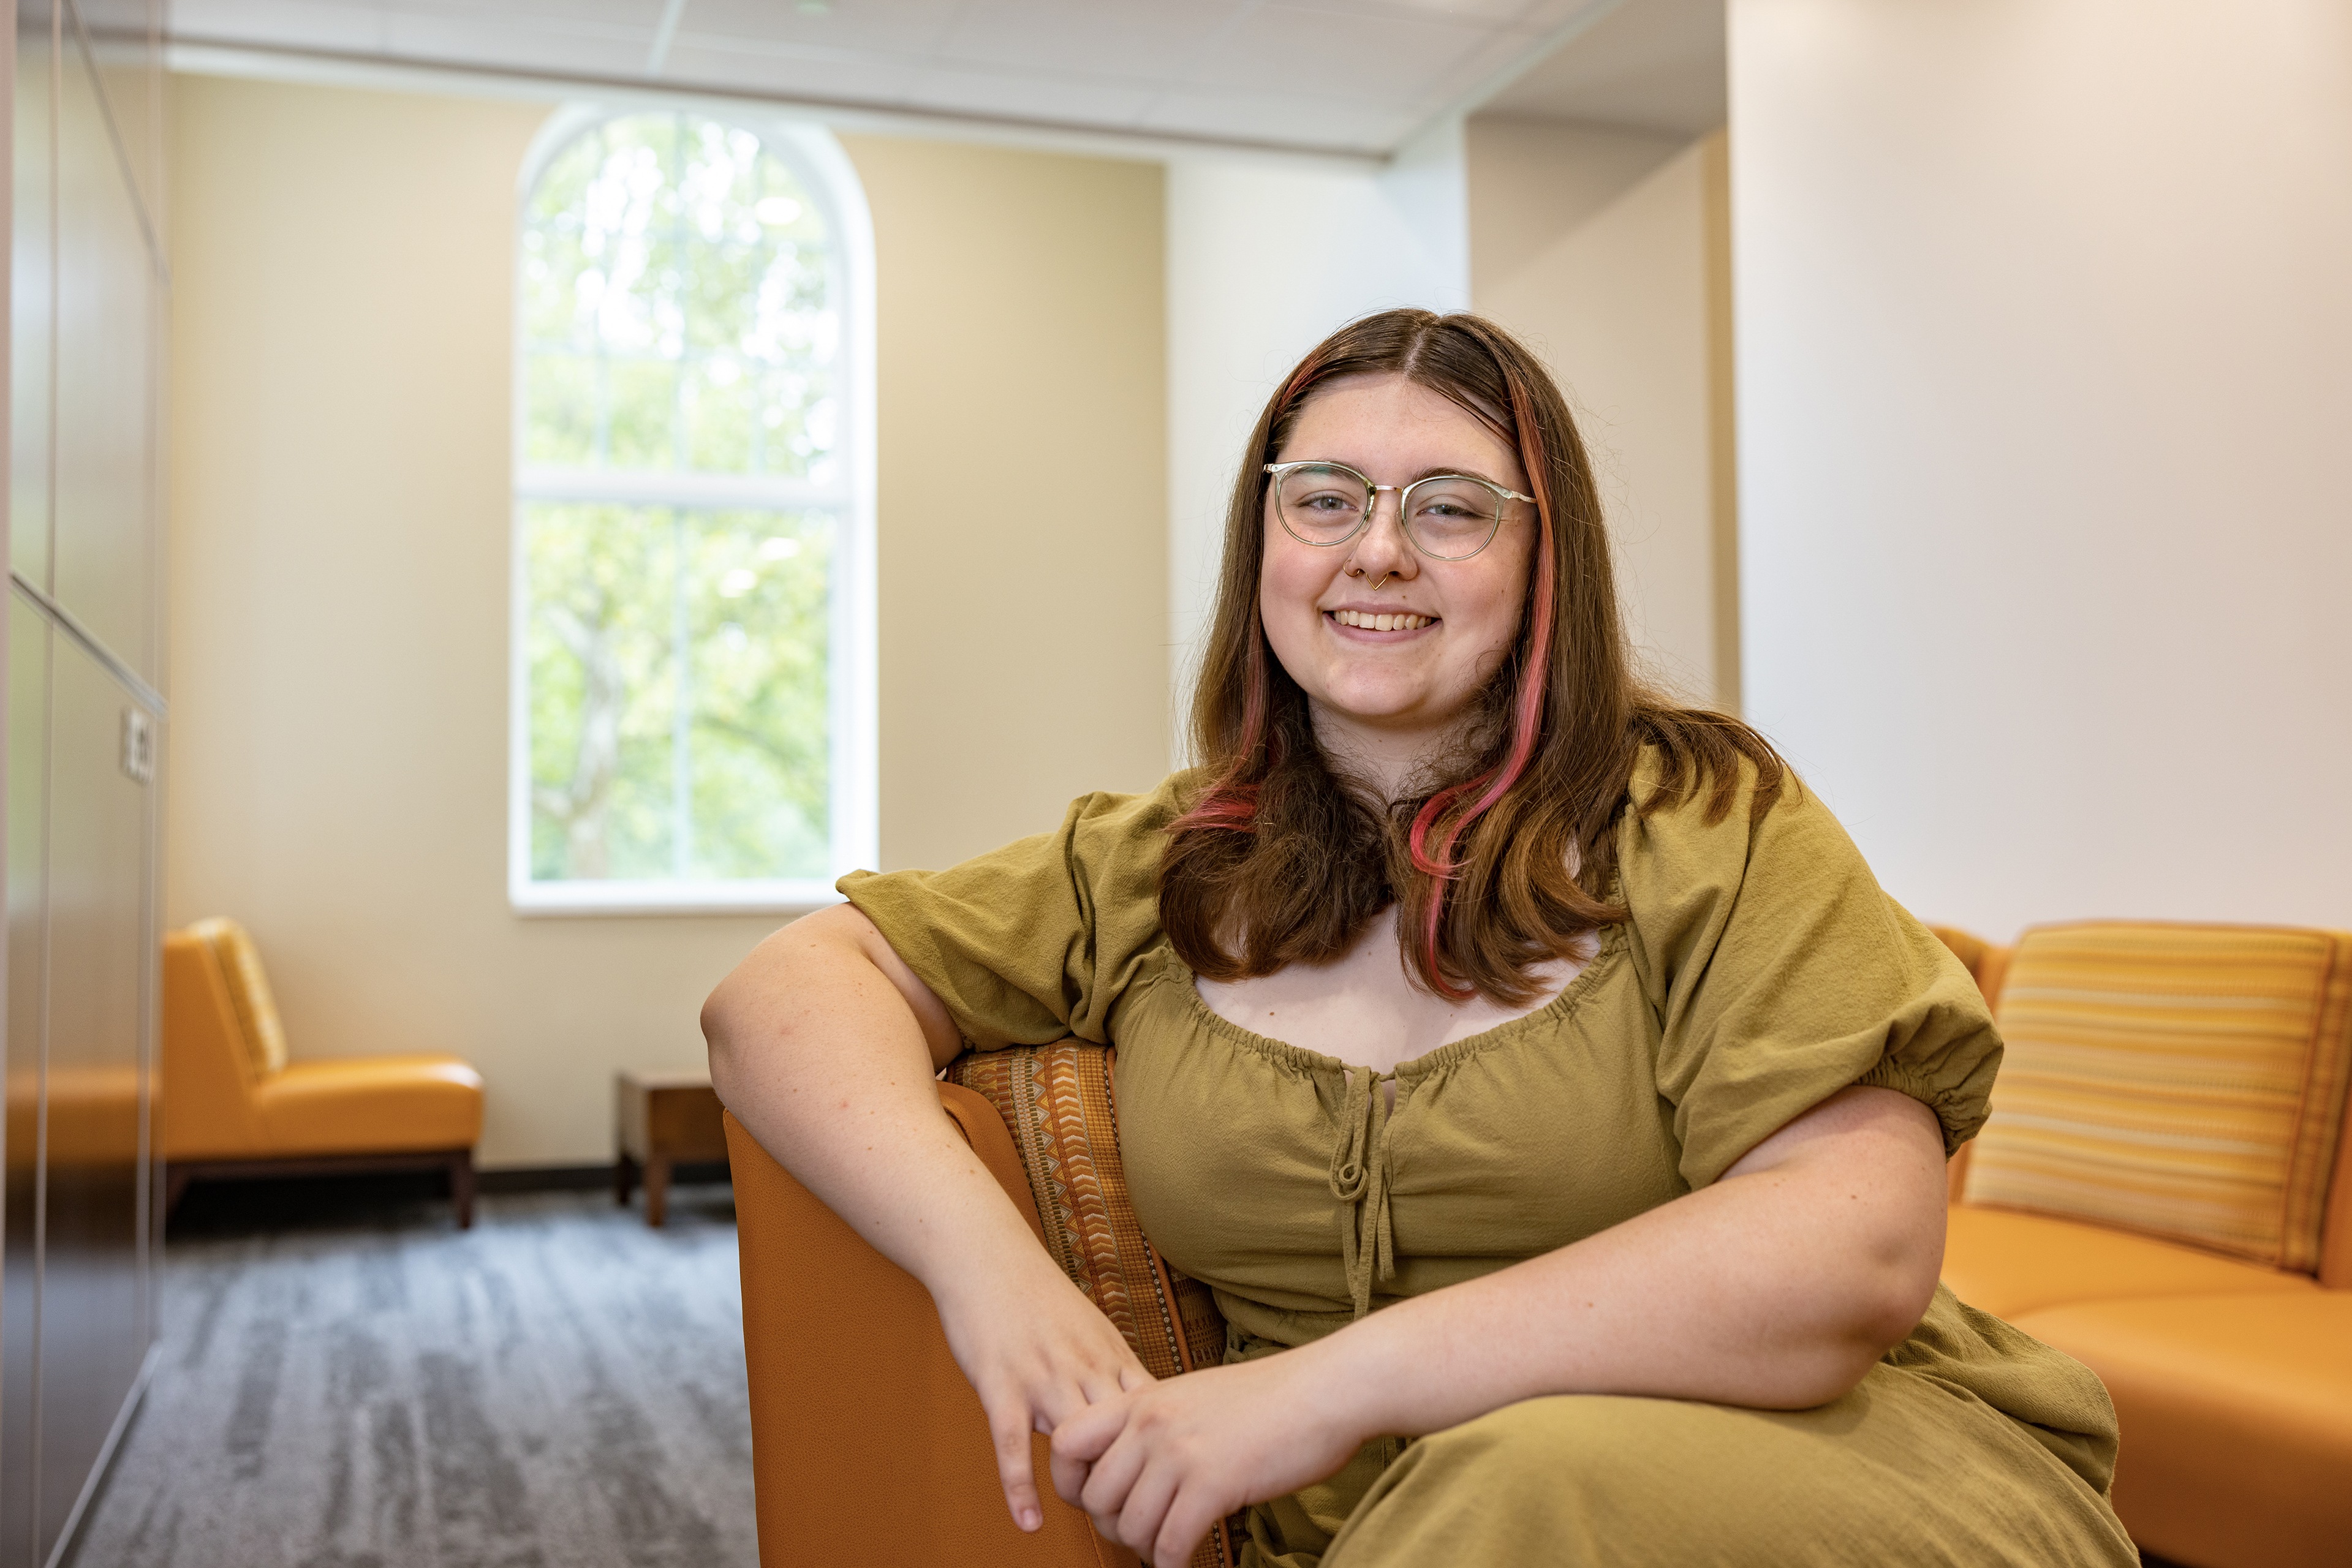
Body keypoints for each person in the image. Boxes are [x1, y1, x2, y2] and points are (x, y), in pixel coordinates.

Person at [703, 311, 2138, 1567]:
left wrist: (1326, 1386)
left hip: (1823, 1470)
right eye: (1323, 498)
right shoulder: (1155, 860)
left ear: (1541, 559)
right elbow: (781, 996)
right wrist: (994, 1274)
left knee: (1526, 1479)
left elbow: (1858, 1248)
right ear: (1262, 543)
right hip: (1388, 1532)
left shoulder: (1712, 821)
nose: (1377, 547)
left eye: (1452, 507)